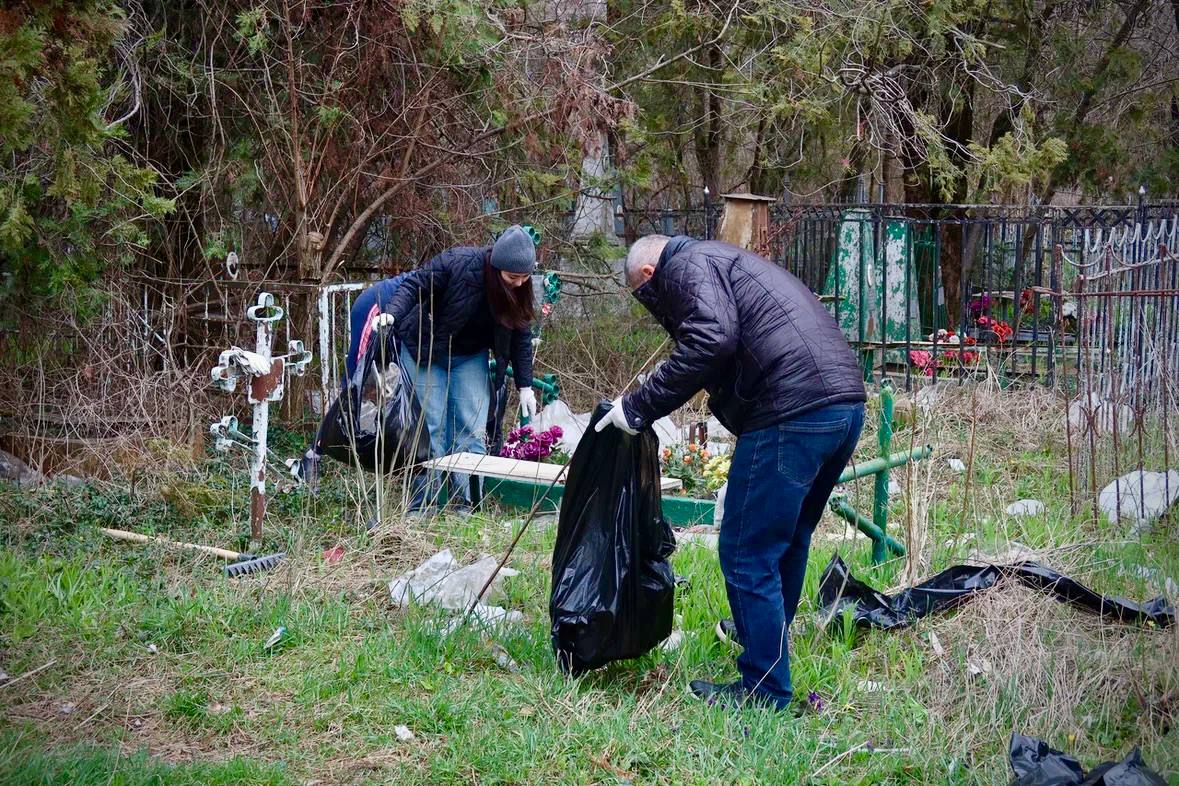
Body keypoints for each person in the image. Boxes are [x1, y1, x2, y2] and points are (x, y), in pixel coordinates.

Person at [595, 234, 866, 711]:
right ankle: (765, 640)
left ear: (649, 275)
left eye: (644, 295)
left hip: (791, 411)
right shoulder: (724, 260)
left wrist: (637, 406)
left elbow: (711, 340)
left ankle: (764, 688)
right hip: (843, 407)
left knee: (746, 551)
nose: (651, 305)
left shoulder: (685, 265)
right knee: (788, 538)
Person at [301, 225, 539, 508]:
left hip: (469, 356)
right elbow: (414, 285)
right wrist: (392, 314)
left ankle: (465, 503)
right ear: (495, 267)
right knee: (429, 428)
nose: (519, 283)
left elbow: (521, 333)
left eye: (525, 277)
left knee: (471, 428)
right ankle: (423, 503)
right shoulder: (458, 263)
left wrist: (525, 385)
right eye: (513, 277)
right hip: (427, 351)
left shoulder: (519, 289)